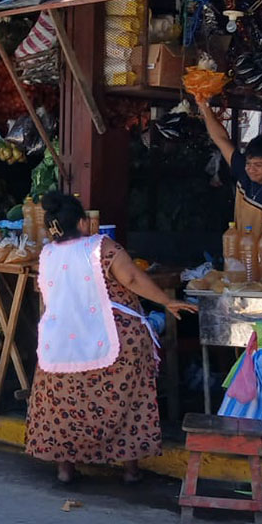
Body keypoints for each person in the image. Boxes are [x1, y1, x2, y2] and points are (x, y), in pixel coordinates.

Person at [26, 191, 197, 485]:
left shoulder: (47, 254)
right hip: (114, 340)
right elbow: (131, 278)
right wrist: (167, 302)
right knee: (129, 403)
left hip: (61, 344)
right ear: (82, 222)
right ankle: (130, 470)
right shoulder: (100, 246)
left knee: (64, 406)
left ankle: (65, 469)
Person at [197, 102, 262, 234]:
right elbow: (220, 139)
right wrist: (204, 107)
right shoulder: (244, 172)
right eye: (249, 163)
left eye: (258, 165)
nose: (251, 169)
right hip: (240, 248)